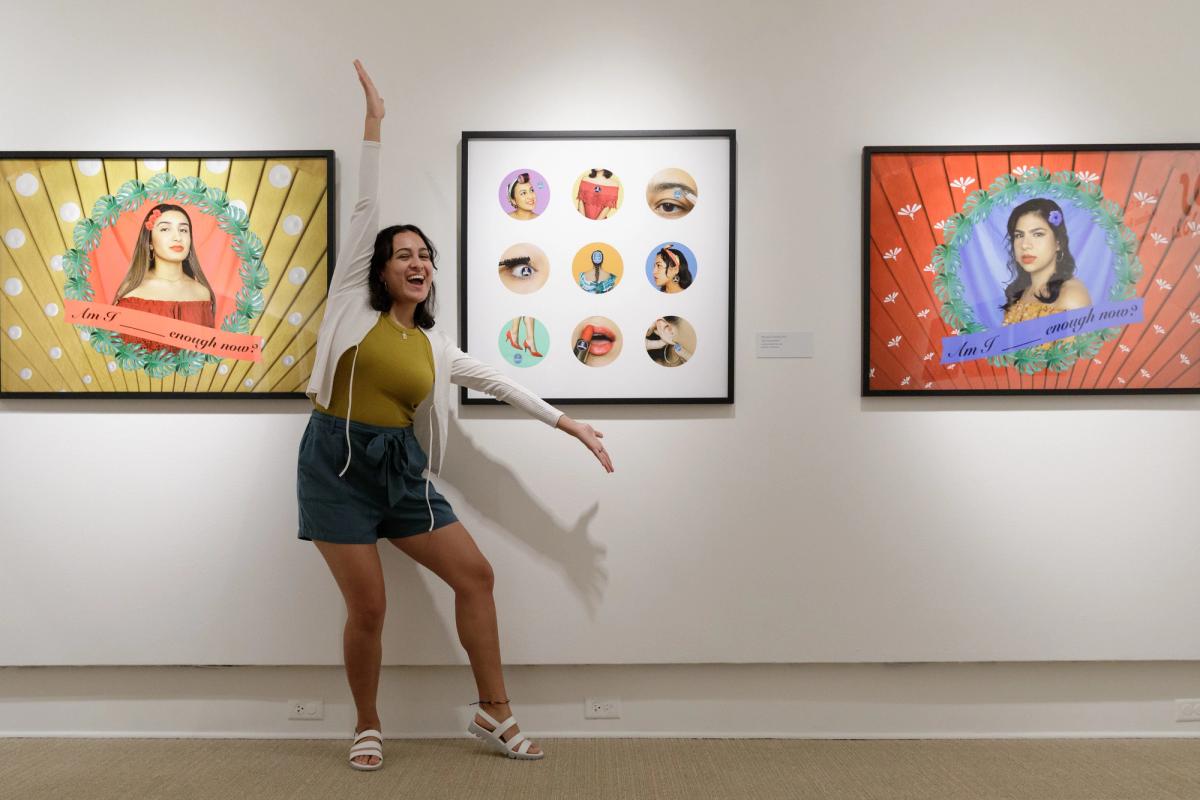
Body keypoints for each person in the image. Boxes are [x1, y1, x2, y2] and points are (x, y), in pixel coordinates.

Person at [300, 60, 613, 771]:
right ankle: (368, 724)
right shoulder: (352, 302)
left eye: (424, 256)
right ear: (378, 270)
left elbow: (501, 382)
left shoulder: (436, 345)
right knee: (370, 610)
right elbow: (365, 207)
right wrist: (375, 121)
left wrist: (569, 423)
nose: (415, 262)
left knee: (475, 576)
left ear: (432, 273)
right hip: (334, 464)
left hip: (400, 472)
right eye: (401, 255)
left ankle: (492, 712)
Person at [112, 204, 216, 353]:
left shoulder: (202, 294)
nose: (177, 237)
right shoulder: (131, 292)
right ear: (149, 242)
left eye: (183, 230)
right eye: (165, 229)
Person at [1000, 198, 1091, 326]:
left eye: (1038, 234)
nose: (1025, 245)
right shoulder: (1021, 293)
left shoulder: (1072, 295)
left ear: (1058, 242)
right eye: (1019, 235)